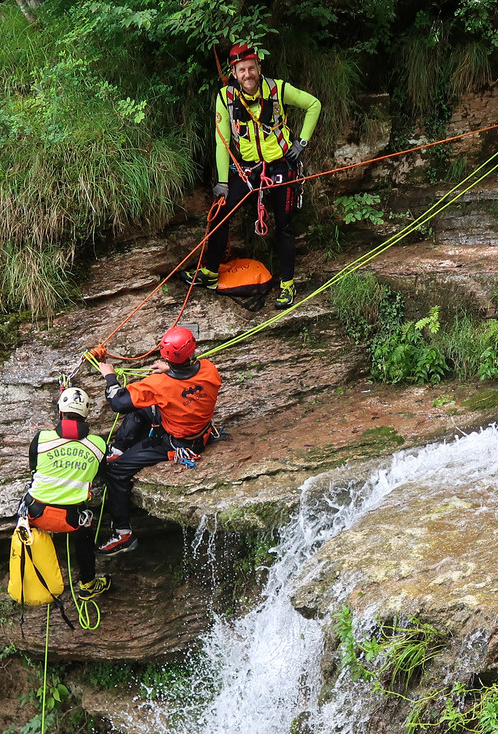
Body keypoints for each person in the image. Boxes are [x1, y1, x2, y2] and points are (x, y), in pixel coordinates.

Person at [186, 43, 321, 311]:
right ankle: (211, 271)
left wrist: (301, 142)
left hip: (281, 164)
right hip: (248, 168)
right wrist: (223, 182)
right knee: (221, 212)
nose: (247, 74)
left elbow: (313, 105)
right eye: (241, 70)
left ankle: (287, 284)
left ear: (259, 68)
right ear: (234, 73)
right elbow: (221, 140)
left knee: (284, 223)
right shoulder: (225, 98)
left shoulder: (278, 89)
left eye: (251, 68)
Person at [89, 327, 221, 555]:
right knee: (143, 406)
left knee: (115, 472)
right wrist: (171, 369)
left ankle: (123, 534)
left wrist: (108, 375)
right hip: (198, 430)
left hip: (177, 442)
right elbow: (188, 378)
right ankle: (119, 448)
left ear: (165, 355)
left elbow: (118, 403)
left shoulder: (158, 385)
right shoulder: (209, 368)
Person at [23, 386, 108, 600]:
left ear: (60, 412)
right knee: (85, 532)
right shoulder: (98, 445)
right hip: (70, 520)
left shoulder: (41, 438)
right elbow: (101, 472)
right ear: (87, 413)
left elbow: (33, 469)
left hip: (36, 514)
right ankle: (88, 584)